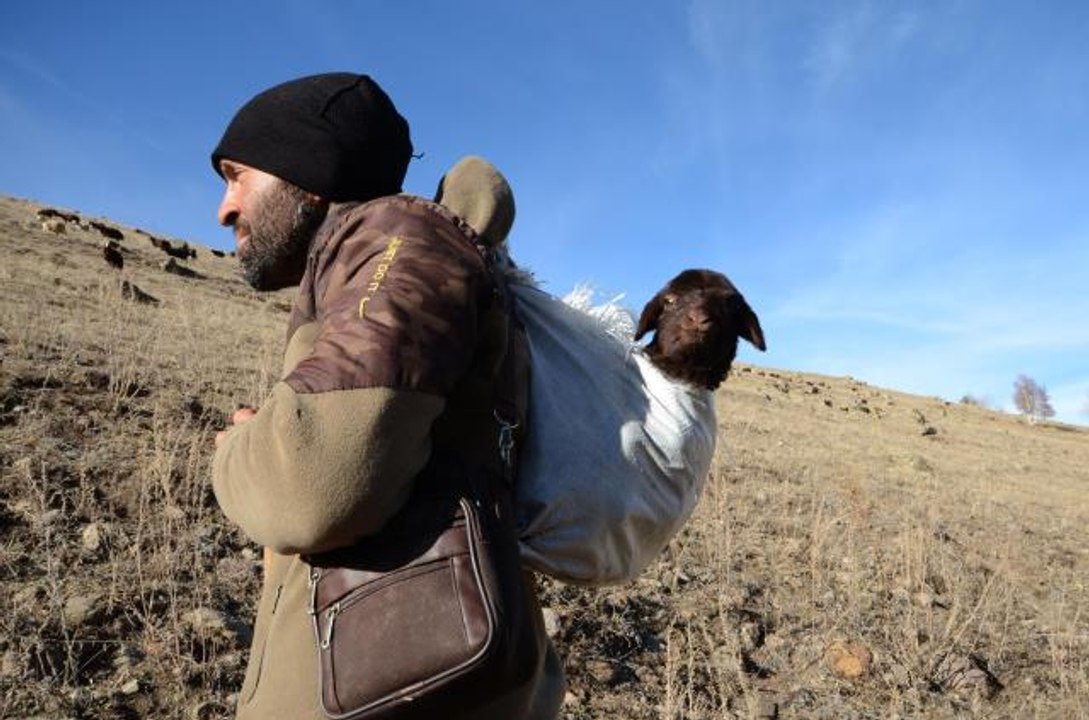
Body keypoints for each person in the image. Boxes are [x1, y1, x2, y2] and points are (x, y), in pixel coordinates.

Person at [209, 72, 563, 720]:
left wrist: (237, 451)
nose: (224, 208)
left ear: (307, 171)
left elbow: (311, 490)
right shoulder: (358, 265)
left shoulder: (397, 239)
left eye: (236, 175)